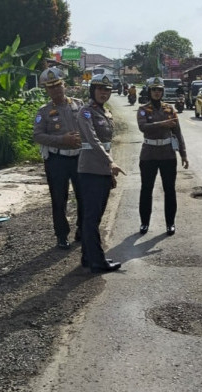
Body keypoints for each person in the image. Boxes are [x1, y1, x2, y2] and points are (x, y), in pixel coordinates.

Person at [77, 75, 126, 273]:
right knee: (91, 217)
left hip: (102, 170)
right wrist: (110, 163)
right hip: (90, 169)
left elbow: (107, 144)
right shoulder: (86, 113)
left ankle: (88, 257)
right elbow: (93, 140)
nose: (104, 93)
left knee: (94, 217)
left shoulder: (105, 112)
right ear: (92, 91)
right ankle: (97, 261)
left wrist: (110, 171)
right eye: (100, 90)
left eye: (107, 90)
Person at [33, 67, 84, 249]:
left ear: (64, 85)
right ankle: (61, 235)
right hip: (57, 160)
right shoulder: (44, 111)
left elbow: (89, 127)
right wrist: (61, 140)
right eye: (51, 87)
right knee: (58, 199)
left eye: (58, 85)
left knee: (83, 196)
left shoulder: (78, 105)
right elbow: (38, 135)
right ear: (46, 90)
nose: (56, 90)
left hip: (79, 158)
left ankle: (82, 229)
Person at [136, 77, 189, 236]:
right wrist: (163, 124)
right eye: (154, 90)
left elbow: (178, 133)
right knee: (146, 189)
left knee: (170, 190)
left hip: (167, 154)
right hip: (149, 154)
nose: (157, 92)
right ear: (149, 92)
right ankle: (144, 222)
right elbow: (142, 127)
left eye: (159, 90)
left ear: (162, 92)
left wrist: (183, 154)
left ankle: (170, 223)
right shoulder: (143, 109)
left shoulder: (170, 110)